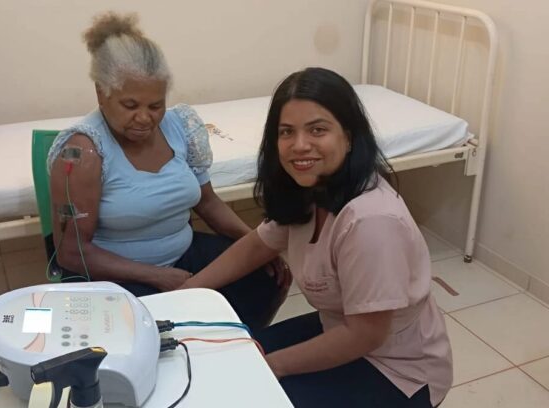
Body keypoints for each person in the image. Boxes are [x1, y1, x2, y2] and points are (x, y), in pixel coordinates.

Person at [180, 67, 452, 407]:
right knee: (232, 361)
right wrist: (188, 290)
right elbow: (258, 244)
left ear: (348, 137)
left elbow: (366, 334)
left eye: (317, 130)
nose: (299, 146)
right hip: (339, 328)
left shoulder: (371, 220)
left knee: (248, 393)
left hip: (397, 368)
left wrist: (273, 367)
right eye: (286, 132)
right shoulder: (312, 190)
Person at [46, 12, 289, 330]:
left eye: (155, 106)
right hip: (116, 275)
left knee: (266, 277)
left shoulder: (180, 126)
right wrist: (157, 276)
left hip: (183, 252)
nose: (145, 118)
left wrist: (256, 244)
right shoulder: (82, 153)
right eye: (130, 106)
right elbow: (72, 253)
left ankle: (240, 346)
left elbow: (208, 203)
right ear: (101, 93)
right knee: (159, 332)